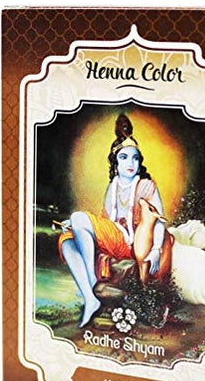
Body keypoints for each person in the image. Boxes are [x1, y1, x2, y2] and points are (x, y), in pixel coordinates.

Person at [58, 114, 167, 327]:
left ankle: (91, 281)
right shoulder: (113, 186)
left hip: (133, 244)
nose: (131, 163)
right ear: (115, 162)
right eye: (124, 157)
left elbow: (159, 222)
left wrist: (156, 250)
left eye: (135, 158)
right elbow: (105, 220)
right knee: (66, 240)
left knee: (78, 217)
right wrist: (77, 227)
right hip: (113, 238)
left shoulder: (147, 186)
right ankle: (90, 298)